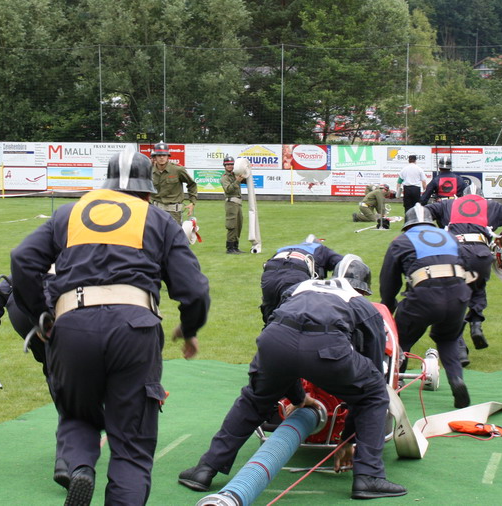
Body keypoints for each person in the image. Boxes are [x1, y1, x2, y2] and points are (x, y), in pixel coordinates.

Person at [10, 149, 211, 506]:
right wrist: (190, 328)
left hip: (72, 325)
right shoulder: (158, 219)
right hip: (135, 327)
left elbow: (22, 259)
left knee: (77, 414)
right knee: (132, 444)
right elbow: (194, 290)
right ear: (147, 191)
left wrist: (41, 314)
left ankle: (79, 467)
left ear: (106, 185)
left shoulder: (68, 214)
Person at [177, 268, 407, 500]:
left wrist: (299, 398)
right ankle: (369, 475)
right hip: (326, 346)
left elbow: (284, 335)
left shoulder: (298, 289)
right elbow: (372, 372)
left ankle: (205, 469)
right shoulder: (363, 306)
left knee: (254, 400)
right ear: (360, 289)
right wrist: (348, 440)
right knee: (374, 393)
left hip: (275, 340)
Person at [0, 273, 70, 488]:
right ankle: (68, 456)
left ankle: (72, 438)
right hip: (49, 309)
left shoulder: (25, 268)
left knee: (56, 372)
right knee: (70, 376)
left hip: (20, 309)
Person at [380, 204, 473, 409]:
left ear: (408, 225)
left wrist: (387, 307)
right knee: (448, 339)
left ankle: (394, 384)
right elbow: (467, 264)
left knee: (399, 340)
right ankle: (456, 380)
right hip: (458, 293)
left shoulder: (401, 241)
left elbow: (389, 281)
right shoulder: (450, 237)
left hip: (424, 295)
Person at [425, 190, 502, 364]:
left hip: (453, 252)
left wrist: (436, 234)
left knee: (451, 300)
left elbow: (421, 212)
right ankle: (476, 323)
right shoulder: (492, 206)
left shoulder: (447, 204)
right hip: (481, 253)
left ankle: (459, 350)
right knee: (478, 288)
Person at [259, 236, 349, 326]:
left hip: (269, 275)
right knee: (297, 319)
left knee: (270, 318)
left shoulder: (284, 249)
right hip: (296, 274)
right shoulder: (322, 249)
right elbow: (345, 265)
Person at [150, 141, 197, 224]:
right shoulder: (149, 171)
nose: (162, 157)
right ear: (155, 157)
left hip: (174, 212)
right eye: (159, 155)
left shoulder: (177, 170)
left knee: (174, 232)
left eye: (164, 155)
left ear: (168, 157)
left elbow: (192, 184)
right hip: (155, 211)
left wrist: (192, 202)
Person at [220, 155, 245, 253]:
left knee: (238, 225)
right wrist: (237, 181)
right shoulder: (224, 178)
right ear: (224, 166)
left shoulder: (235, 175)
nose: (230, 166)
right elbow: (228, 190)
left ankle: (235, 246)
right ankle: (230, 248)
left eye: (231, 164)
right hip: (231, 203)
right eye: (228, 164)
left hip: (238, 203)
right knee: (232, 225)